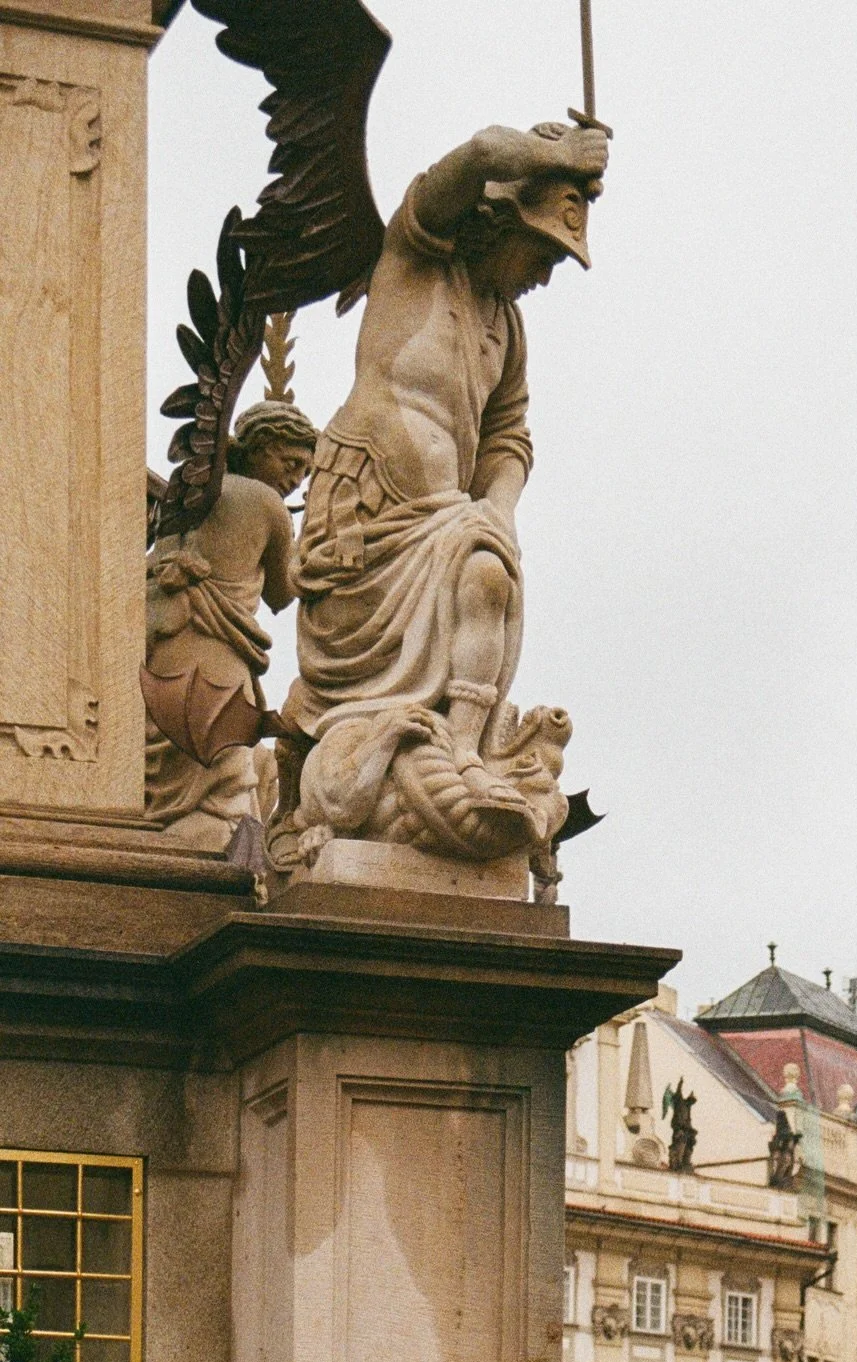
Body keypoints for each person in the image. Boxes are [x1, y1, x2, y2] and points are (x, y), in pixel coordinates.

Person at [278, 121, 607, 846]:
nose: (546, 275)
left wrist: (500, 505)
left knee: (489, 573)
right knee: (479, 566)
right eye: (543, 251)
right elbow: (479, 157)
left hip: (447, 524)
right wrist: (557, 157)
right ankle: (399, 758)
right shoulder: (415, 257)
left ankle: (464, 750)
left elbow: (509, 435)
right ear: (500, 220)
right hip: (365, 517)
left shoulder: (507, 327)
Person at [143, 401, 316, 846]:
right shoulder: (265, 503)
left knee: (169, 778)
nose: (296, 479)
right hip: (216, 655)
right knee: (224, 781)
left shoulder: (188, 492)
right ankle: (221, 874)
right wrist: (322, 549)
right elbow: (283, 592)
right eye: (290, 462)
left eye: (304, 472)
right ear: (258, 448)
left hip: (160, 644)